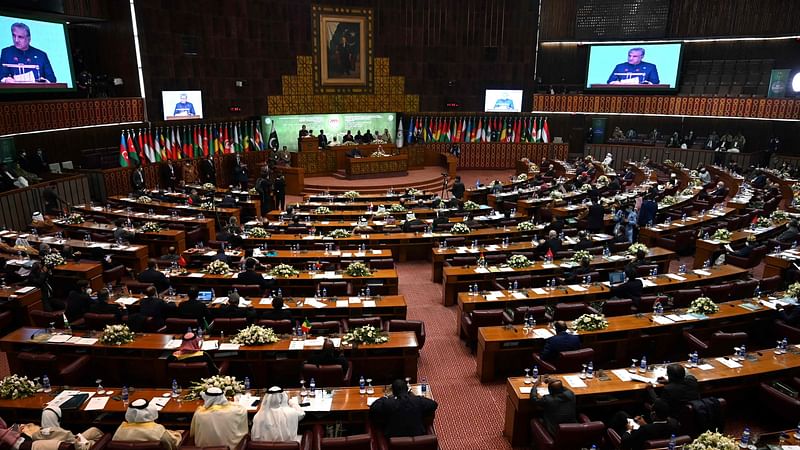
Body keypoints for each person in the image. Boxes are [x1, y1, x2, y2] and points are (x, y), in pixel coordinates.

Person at [369, 378, 438, 438]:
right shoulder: (417, 400)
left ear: (393, 392)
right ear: (407, 390)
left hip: (394, 439)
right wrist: (414, 396)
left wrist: (385, 396)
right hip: (418, 437)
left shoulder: (388, 403)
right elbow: (434, 404)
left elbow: (373, 408)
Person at [23, 405, 104, 450]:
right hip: (76, 446)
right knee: (95, 434)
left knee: (93, 430)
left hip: (69, 442)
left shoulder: (36, 435)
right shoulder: (62, 433)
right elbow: (74, 442)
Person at [112, 398, 182, 450]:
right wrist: (178, 434)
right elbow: (172, 445)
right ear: (150, 411)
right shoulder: (158, 430)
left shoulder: (119, 430)